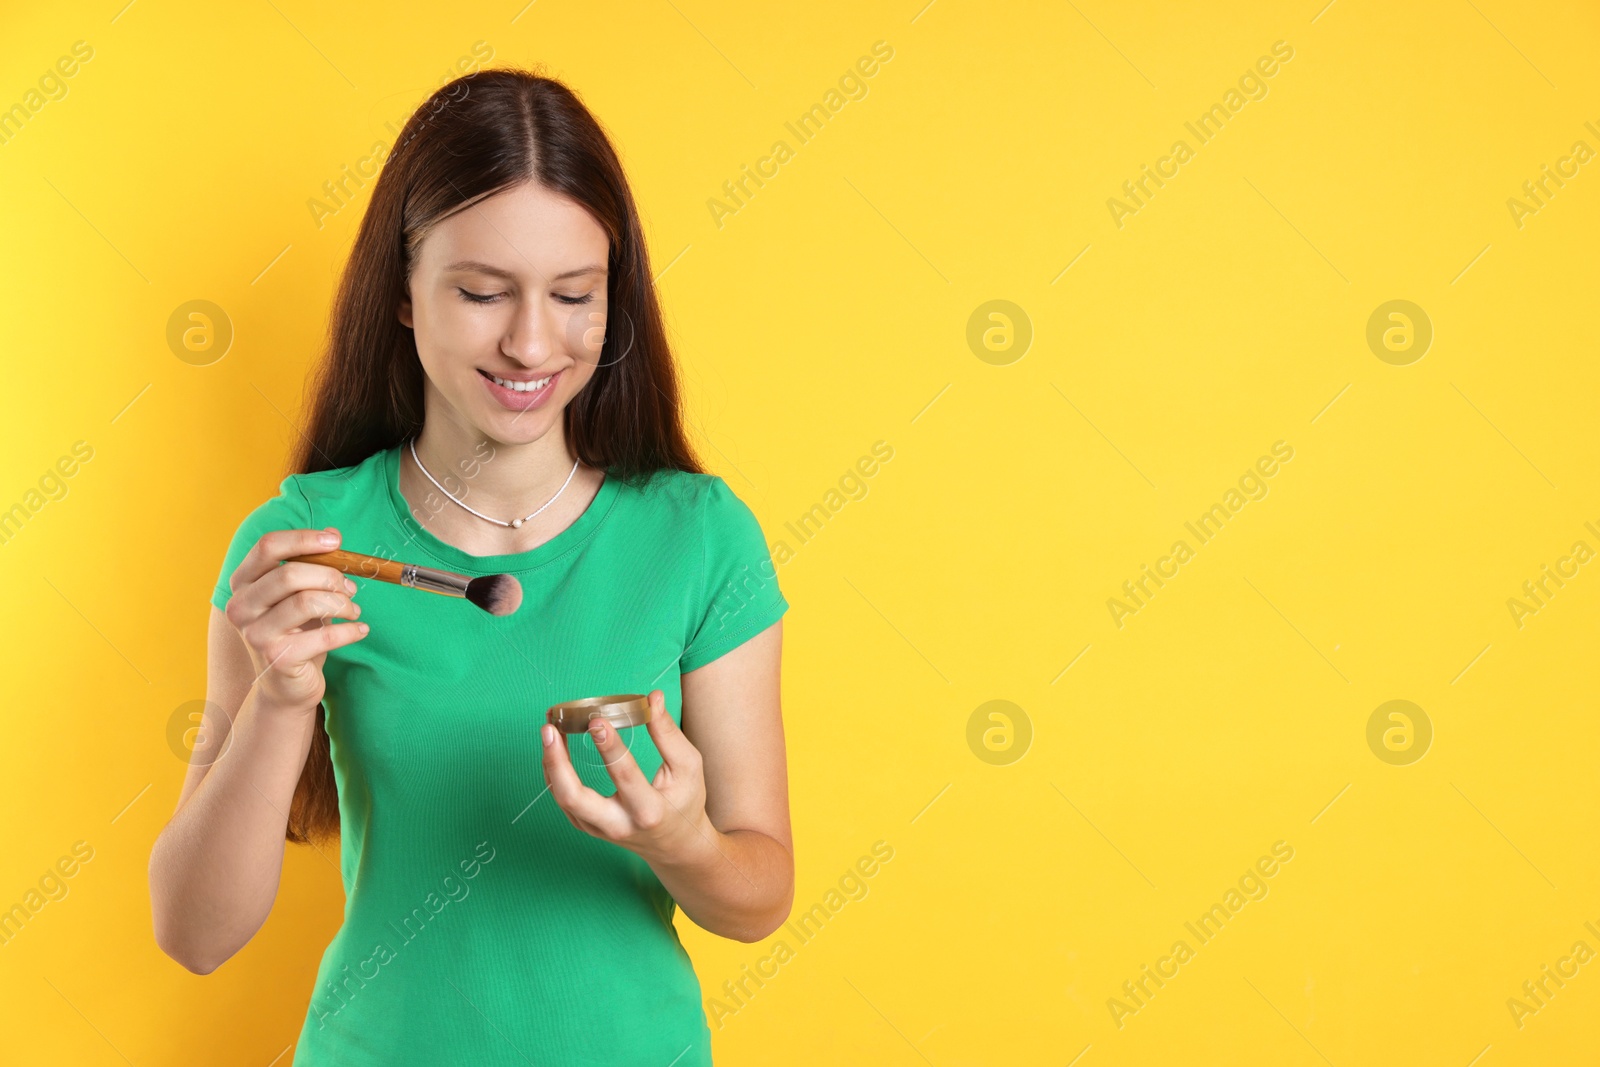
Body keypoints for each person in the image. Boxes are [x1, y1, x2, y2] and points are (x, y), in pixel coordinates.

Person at [148, 67, 793, 1066]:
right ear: (402, 295)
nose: (532, 340)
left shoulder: (698, 536)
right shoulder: (305, 541)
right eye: (482, 291)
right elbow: (194, 934)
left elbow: (759, 898)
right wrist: (279, 697)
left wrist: (683, 842)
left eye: (574, 294)